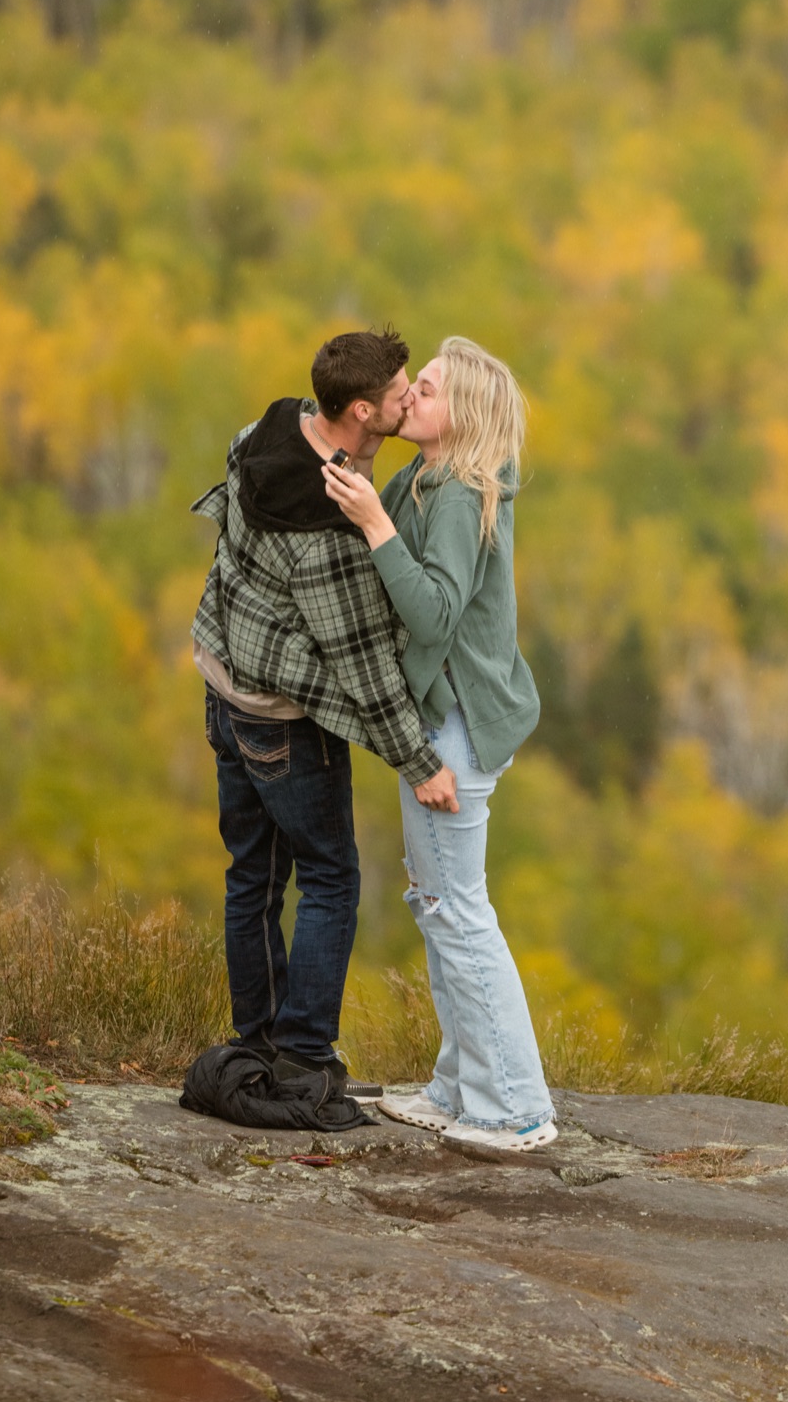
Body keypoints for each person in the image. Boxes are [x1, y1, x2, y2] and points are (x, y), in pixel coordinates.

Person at [189, 327, 460, 1112]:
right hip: (278, 719)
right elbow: (366, 671)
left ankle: (257, 1043)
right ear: (362, 411)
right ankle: (303, 1059)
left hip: (222, 682)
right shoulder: (330, 531)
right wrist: (422, 765)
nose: (413, 398)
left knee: (253, 875)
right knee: (332, 877)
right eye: (403, 393)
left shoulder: (264, 432)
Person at [322, 335, 557, 1152]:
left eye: (425, 388)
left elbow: (433, 614)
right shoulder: (420, 479)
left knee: (459, 911)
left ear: (465, 414)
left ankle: (516, 1109)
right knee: (436, 908)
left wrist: (378, 524)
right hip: (436, 714)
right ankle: (459, 1088)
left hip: (455, 721)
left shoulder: (457, 493)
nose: (407, 396)